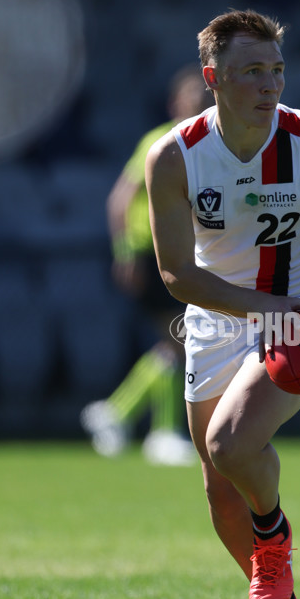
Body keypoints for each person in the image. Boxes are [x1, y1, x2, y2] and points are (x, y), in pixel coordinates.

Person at [146, 10, 300, 599]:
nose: (269, 84)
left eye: (276, 70)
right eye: (251, 71)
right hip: (214, 321)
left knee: (230, 443)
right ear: (212, 76)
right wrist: (260, 309)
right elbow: (175, 274)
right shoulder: (174, 156)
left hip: (299, 321)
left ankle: (271, 559)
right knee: (220, 494)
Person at [80, 65, 211, 465]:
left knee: (178, 343)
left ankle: (119, 413)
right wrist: (124, 254)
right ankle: (157, 431)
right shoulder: (161, 141)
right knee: (181, 341)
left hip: (184, 256)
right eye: (195, 96)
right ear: (176, 102)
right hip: (151, 254)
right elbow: (120, 199)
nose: (203, 103)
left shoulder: (208, 146)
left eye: (207, 97)